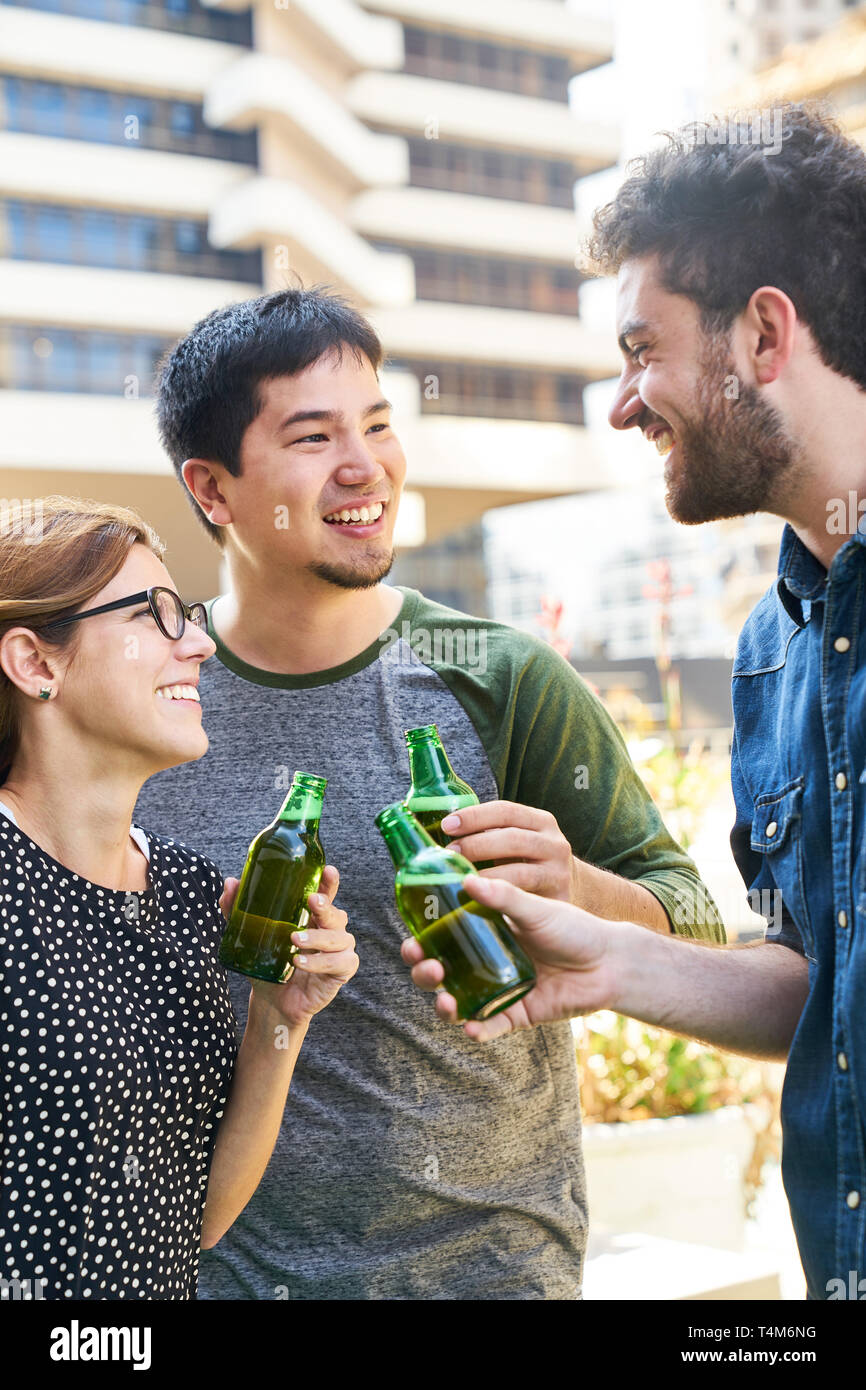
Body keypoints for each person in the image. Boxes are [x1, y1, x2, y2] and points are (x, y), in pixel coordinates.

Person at [134, 287, 722, 1301]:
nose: (366, 467)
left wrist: (572, 886)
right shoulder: (148, 692)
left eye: (377, 425)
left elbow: (698, 927)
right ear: (213, 487)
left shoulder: (494, 673)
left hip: (488, 1277)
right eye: (313, 436)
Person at [404, 101, 866, 1302]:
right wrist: (607, 961)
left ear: (762, 333)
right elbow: (818, 980)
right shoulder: (773, 647)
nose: (620, 405)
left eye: (638, 350)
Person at [0, 496, 357, 1300]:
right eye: (154, 615)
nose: (198, 643)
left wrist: (279, 1016)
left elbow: (183, 1223)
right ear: (36, 663)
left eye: (189, 614)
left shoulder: (194, 891)